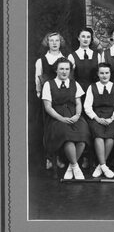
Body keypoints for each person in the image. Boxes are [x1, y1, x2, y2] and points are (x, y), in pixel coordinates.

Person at [42, 57, 91, 180]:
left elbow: (78, 103)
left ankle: (71, 167)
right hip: (56, 117)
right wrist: (61, 118)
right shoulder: (49, 85)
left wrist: (77, 115)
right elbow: (48, 107)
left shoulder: (74, 84)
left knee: (83, 135)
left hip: (74, 115)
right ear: (56, 70)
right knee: (66, 135)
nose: (64, 72)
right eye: (61, 69)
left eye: (67, 69)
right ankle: (75, 166)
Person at [84, 63, 114, 178]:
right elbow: (87, 107)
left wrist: (112, 118)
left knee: (110, 138)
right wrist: (97, 118)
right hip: (96, 117)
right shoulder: (92, 87)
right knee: (99, 137)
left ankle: (100, 166)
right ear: (98, 74)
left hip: (112, 117)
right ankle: (104, 166)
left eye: (107, 73)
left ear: (110, 74)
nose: (104, 75)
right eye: (102, 73)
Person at [35, 32, 66, 170]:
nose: (54, 43)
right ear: (47, 43)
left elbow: (69, 79)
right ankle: (49, 158)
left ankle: (58, 157)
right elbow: (38, 79)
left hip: (62, 98)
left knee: (60, 128)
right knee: (48, 128)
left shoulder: (65, 59)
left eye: (57, 40)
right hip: (47, 99)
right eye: (51, 40)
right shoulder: (41, 60)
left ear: (60, 42)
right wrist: (40, 94)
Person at [67, 27, 102, 92]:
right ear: (78, 38)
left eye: (88, 37)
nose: (85, 39)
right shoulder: (72, 56)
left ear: (91, 39)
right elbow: (69, 77)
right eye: (83, 36)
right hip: (78, 90)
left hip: (95, 90)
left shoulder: (97, 56)